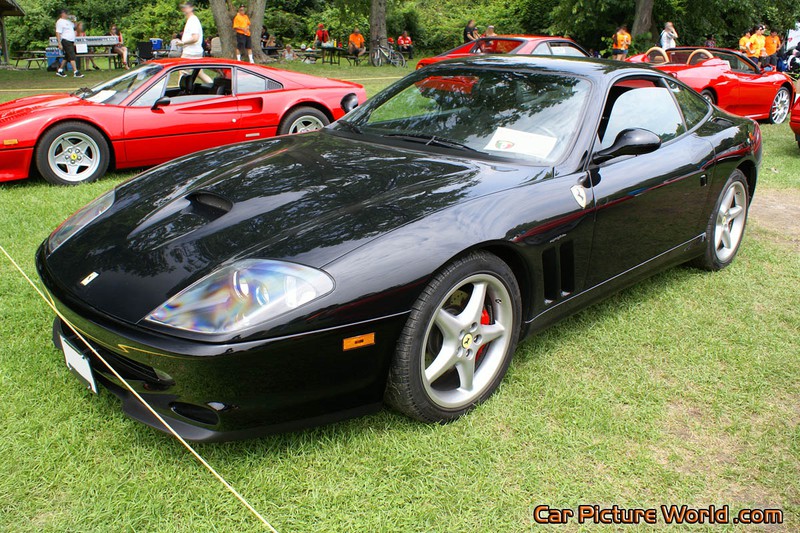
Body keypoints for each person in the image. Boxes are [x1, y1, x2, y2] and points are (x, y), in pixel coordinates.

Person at [177, 2, 211, 82]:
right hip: (196, 51)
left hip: (190, 52)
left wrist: (183, 43)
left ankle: (180, 93)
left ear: (191, 8)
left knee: (182, 72)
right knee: (199, 73)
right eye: (183, 7)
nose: (184, 9)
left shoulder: (193, 20)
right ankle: (213, 87)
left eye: (186, 7)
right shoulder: (192, 20)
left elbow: (195, 38)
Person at [55, 10, 83, 78]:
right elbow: (58, 32)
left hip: (71, 41)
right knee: (72, 56)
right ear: (62, 14)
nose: (67, 15)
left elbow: (76, 28)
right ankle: (76, 72)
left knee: (67, 57)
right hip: (65, 40)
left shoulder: (68, 21)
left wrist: (75, 21)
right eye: (66, 14)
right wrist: (59, 43)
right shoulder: (60, 22)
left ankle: (60, 70)